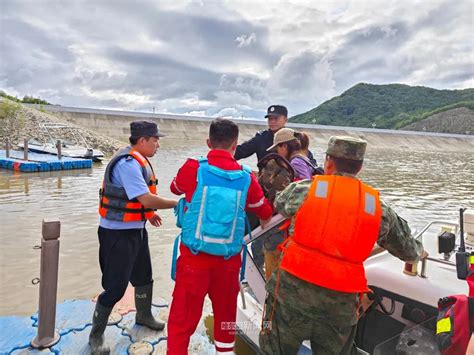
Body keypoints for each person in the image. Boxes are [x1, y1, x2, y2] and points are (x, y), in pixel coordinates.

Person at [259, 136, 426, 355]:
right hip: (338, 310)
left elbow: (279, 201)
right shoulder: (378, 208)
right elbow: (409, 250)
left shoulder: (303, 190)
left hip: (288, 300)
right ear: (360, 167)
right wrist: (420, 251)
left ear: (328, 161)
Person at [167, 118, 273, 355]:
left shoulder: (193, 167)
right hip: (228, 264)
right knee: (226, 322)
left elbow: (175, 188)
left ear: (208, 142)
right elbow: (264, 210)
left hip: (193, 262)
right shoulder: (246, 177)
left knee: (181, 324)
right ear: (235, 145)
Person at [90, 121, 178, 355]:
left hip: (135, 229)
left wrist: (148, 216)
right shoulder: (128, 163)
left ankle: (144, 314)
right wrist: (179, 202)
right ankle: (96, 335)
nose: (158, 144)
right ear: (142, 141)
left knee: (144, 276)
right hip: (116, 234)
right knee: (115, 287)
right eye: (155, 140)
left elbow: (139, 201)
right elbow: (145, 198)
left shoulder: (139, 159)